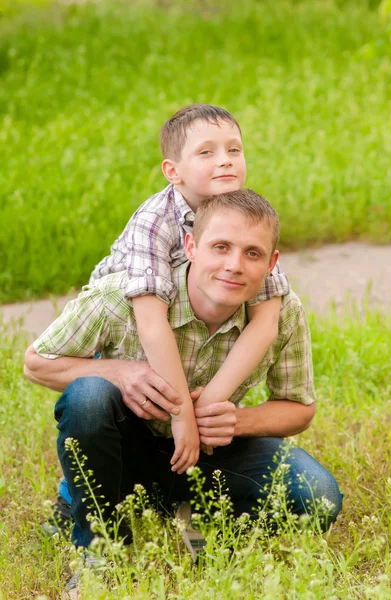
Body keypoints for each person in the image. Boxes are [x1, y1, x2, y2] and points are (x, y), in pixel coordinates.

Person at [24, 189, 343, 555]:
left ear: (272, 263)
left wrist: (237, 422)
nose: (234, 265)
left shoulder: (281, 314)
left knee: (319, 495)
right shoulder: (121, 298)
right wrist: (121, 373)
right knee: (89, 396)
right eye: (220, 247)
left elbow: (299, 408)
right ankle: (100, 546)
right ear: (191, 246)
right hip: (127, 448)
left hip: (211, 454)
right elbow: (36, 363)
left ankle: (206, 520)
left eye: (252, 253)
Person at [88, 104, 290, 470]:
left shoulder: (246, 218)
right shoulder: (154, 221)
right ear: (172, 172)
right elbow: (149, 323)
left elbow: (265, 321)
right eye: (206, 152)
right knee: (100, 414)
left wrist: (209, 403)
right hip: (127, 335)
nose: (225, 160)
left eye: (234, 149)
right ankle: (72, 497)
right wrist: (182, 416)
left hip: (188, 338)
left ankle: (181, 492)